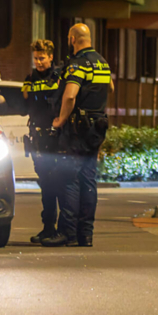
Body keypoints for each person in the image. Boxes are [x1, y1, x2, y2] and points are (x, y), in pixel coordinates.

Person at [43, 23, 112, 248]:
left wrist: (60, 120)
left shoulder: (78, 64)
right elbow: (110, 88)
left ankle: (68, 233)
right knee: (88, 179)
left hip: (77, 129)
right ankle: (86, 234)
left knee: (69, 179)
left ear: (72, 39)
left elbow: (70, 96)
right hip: (97, 127)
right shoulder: (102, 63)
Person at [21, 39, 64, 244]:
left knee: (58, 184)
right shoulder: (30, 78)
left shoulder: (59, 77)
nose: (38, 62)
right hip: (38, 138)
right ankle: (48, 227)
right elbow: (24, 106)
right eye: (36, 58)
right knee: (45, 184)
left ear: (51, 57)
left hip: (56, 138)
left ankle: (62, 229)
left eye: (42, 58)